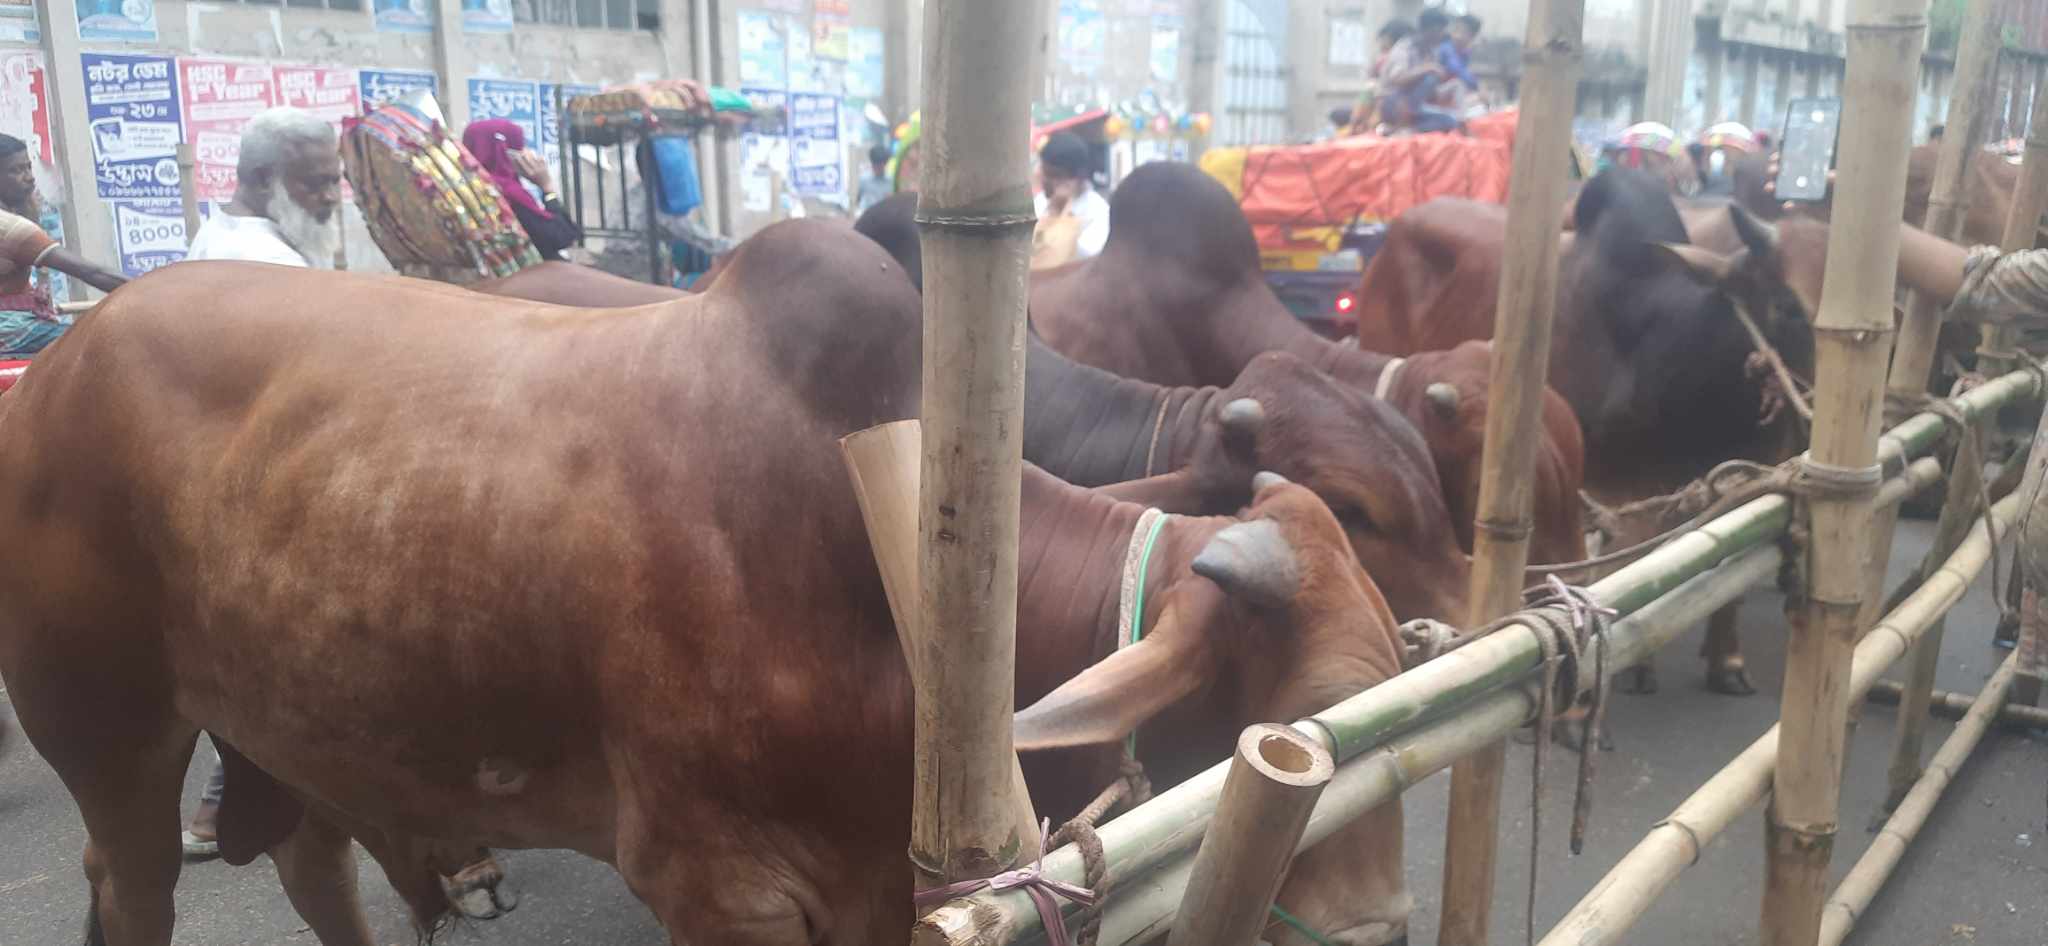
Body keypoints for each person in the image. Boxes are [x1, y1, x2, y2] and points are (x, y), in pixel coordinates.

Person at [0, 134, 126, 358]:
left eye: (28, 167)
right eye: (16, 170)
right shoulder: (10, 227)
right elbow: (91, 272)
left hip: (13, 320)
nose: (30, 177)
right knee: (100, 342)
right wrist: (153, 291)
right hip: (8, 325)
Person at [185, 107, 343, 269]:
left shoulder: (217, 229)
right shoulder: (272, 260)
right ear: (264, 180)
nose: (331, 197)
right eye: (314, 184)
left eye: (335, 181)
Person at [462, 118, 583, 261]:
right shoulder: (508, 193)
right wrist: (547, 188)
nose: (526, 152)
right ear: (502, 150)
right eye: (520, 146)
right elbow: (561, 236)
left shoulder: (468, 187)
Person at [1032, 131, 1110, 266]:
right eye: (1041, 169)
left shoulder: (1097, 212)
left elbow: (1085, 259)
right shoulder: (1040, 203)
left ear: (1074, 179)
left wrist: (1059, 216)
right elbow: (1031, 251)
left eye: (1048, 173)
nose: (1039, 176)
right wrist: (1051, 211)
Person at [1379, 8, 1459, 134]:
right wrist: (1427, 68)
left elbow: (1429, 93)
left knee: (1451, 120)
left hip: (1413, 108)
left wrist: (1450, 88)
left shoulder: (1430, 52)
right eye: (1439, 30)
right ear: (1429, 29)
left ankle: (1407, 130)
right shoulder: (1405, 47)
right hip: (1393, 104)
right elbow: (1397, 79)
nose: (1441, 35)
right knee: (1430, 77)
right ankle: (1401, 125)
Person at [1349, 20, 1414, 134]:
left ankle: (1359, 125)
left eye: (1383, 38)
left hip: (1389, 99)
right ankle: (1359, 125)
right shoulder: (1387, 55)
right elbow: (1371, 74)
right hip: (1380, 98)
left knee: (1370, 89)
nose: (1380, 43)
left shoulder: (1397, 55)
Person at [1436, 14, 1483, 112]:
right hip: (1436, 92)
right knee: (1459, 84)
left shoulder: (1465, 53)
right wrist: (1477, 87)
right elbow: (1456, 69)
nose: (1458, 35)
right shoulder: (1446, 48)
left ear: (1472, 37)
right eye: (1456, 30)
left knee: (1480, 100)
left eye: (1464, 32)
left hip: (1451, 94)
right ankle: (1460, 117)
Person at [857, 143, 894, 212]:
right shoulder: (864, 180)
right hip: (869, 216)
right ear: (872, 163)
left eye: (881, 165)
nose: (878, 168)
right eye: (876, 165)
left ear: (885, 164)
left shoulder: (891, 181)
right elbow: (857, 199)